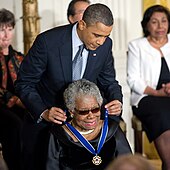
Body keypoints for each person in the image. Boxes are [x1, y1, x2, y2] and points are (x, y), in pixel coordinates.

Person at [15, 3, 123, 170]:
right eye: (97, 35)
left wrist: (117, 100)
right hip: (48, 118)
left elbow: (109, 81)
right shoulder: (47, 42)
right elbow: (24, 83)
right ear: (82, 24)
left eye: (106, 36)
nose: (101, 41)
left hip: (83, 120)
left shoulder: (105, 45)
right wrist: (43, 111)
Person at [46, 79, 131, 170]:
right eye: (83, 112)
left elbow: (129, 163)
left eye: (95, 109)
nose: (91, 116)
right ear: (72, 112)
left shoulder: (111, 129)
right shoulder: (59, 135)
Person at [127, 5, 170, 170]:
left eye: (164, 21)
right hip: (147, 98)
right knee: (163, 113)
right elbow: (133, 80)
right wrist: (157, 92)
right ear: (146, 25)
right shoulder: (137, 46)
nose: (160, 26)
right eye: (154, 22)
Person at [0, 8, 25, 170]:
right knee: (14, 124)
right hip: (2, 107)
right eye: (2, 30)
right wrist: (16, 100)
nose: (6, 35)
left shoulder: (19, 57)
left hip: (19, 105)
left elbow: (27, 84)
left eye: (9, 29)